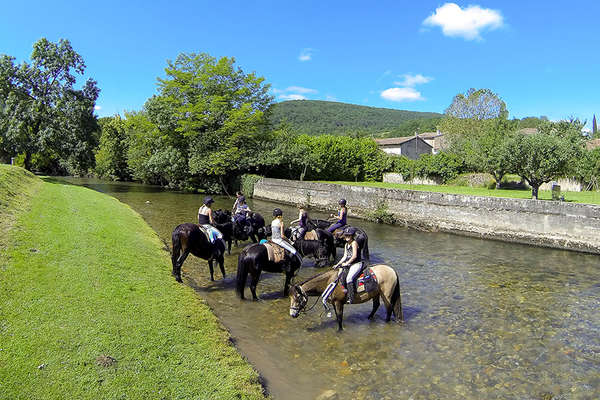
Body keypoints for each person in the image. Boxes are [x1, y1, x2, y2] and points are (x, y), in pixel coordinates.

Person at [332, 226, 362, 304]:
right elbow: (345, 256)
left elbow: (354, 256)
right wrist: (337, 264)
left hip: (356, 263)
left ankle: (351, 297)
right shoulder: (346, 244)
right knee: (339, 275)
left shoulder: (354, 243)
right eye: (346, 235)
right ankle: (343, 292)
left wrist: (347, 263)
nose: (347, 237)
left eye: (349, 235)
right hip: (349, 264)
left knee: (349, 278)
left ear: (352, 236)